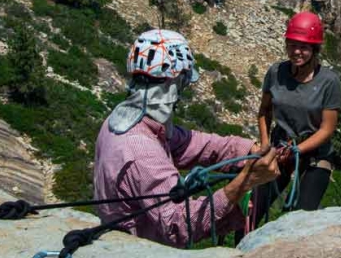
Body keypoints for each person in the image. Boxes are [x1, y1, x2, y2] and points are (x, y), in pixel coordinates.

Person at [93, 29, 280, 248]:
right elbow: (179, 226)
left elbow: (192, 144)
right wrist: (245, 182)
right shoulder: (142, 151)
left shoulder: (127, 122)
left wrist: (248, 150)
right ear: (174, 85)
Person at [251, 11, 341, 225]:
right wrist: (265, 143)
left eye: (304, 47)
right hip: (280, 147)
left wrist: (297, 151)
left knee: (302, 219)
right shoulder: (276, 72)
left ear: (314, 49)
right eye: (292, 45)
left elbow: (327, 129)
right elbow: (265, 111)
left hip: (313, 154)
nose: (297, 52)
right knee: (252, 210)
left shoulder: (329, 82)